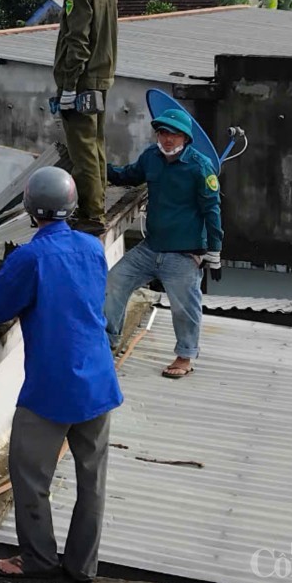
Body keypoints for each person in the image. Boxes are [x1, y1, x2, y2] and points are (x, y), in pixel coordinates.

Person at [0, 166, 123, 583]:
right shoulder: (92, 247)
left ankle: (37, 558)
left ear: (31, 209)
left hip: (52, 388)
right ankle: (82, 567)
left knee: (29, 476)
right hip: (98, 381)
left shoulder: (30, 257)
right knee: (92, 481)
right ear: (70, 206)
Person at [103, 107, 223, 379]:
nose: (168, 139)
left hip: (183, 253)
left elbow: (212, 210)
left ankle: (185, 357)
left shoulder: (200, 167)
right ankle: (106, 345)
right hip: (151, 247)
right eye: (163, 133)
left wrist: (214, 250)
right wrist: (98, 166)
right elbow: (128, 175)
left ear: (186, 138)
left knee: (185, 305)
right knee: (114, 281)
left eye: (174, 134)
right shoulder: (151, 157)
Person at [44, 0, 119, 235]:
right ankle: (97, 205)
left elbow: (78, 41)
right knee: (96, 145)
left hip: (83, 81)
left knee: (82, 150)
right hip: (102, 78)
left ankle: (91, 215)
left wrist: (69, 87)